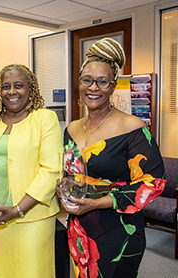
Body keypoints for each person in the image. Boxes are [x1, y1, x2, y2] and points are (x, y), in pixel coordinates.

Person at [59, 38, 166, 278]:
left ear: (113, 85)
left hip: (119, 228)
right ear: (79, 83)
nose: (93, 88)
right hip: (80, 228)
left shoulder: (133, 127)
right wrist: (66, 185)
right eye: (87, 80)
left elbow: (153, 182)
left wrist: (99, 202)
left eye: (102, 81)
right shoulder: (72, 129)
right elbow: (71, 174)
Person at [0, 64, 63, 278]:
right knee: (0, 272)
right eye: (6, 86)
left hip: (33, 219)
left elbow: (52, 170)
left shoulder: (44, 119)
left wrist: (18, 209)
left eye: (18, 85)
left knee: (33, 272)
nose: (11, 91)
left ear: (30, 89)